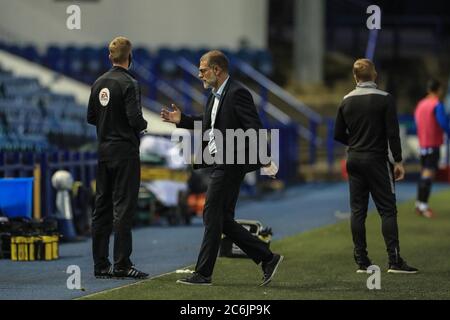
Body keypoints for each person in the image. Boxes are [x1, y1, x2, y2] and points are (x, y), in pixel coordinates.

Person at [160, 50, 282, 286]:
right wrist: (182, 120)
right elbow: (208, 122)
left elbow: (254, 128)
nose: (199, 74)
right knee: (222, 219)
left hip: (230, 163)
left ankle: (204, 273)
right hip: (219, 162)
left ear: (217, 70)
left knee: (211, 214)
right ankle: (267, 258)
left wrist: (266, 159)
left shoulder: (238, 93)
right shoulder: (215, 94)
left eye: (203, 70)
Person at [334, 58, 418, 274]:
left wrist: (355, 143)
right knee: (387, 210)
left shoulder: (346, 100)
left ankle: (362, 262)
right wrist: (398, 161)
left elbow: (338, 134)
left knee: (357, 212)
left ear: (355, 77)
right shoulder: (385, 99)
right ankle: (394, 261)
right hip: (377, 160)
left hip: (354, 159)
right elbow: (392, 133)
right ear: (375, 75)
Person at [87, 36, 148, 279]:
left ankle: (101, 265)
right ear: (130, 58)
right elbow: (135, 119)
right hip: (125, 153)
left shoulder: (98, 82)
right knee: (123, 208)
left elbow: (91, 117)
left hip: (104, 152)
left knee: (101, 208)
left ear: (109, 57)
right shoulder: (129, 83)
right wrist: (143, 126)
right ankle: (122, 264)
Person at [414, 79, 450, 218]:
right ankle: (423, 206)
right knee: (428, 175)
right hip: (432, 144)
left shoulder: (421, 104)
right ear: (439, 90)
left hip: (422, 144)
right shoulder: (437, 105)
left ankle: (418, 204)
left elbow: (417, 122)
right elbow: (443, 123)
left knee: (424, 173)